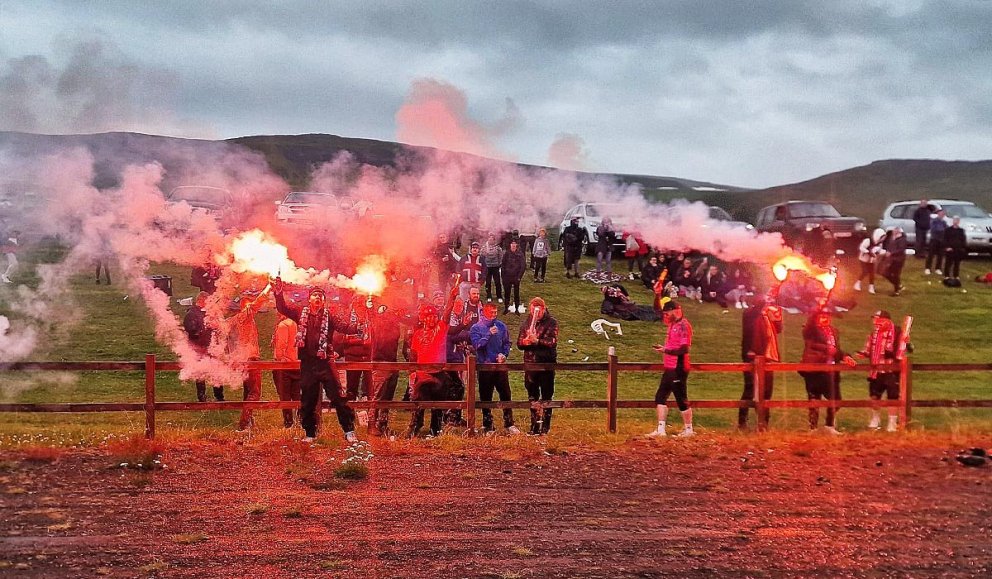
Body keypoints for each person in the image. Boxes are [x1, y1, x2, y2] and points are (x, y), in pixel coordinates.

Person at [273, 281, 358, 443]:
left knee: (338, 397)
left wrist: (358, 327)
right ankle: (310, 433)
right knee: (308, 400)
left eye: (320, 296)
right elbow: (282, 308)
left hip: (325, 363)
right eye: (315, 295)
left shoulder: (329, 315)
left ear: (323, 300)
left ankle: (349, 430)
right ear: (309, 299)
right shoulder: (300, 312)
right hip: (308, 364)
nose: (317, 297)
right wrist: (278, 293)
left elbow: (344, 326)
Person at [406, 287, 459, 438]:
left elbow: (447, 314)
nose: (431, 319)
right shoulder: (417, 334)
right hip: (422, 375)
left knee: (438, 406)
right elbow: (413, 355)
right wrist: (412, 372)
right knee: (419, 404)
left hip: (439, 374)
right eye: (428, 317)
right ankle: (415, 427)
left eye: (434, 316)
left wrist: (452, 298)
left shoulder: (441, 329)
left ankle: (435, 431)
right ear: (422, 318)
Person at [799, 309, 856, 434]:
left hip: (831, 369)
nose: (825, 318)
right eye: (822, 316)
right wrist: (817, 309)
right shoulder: (811, 330)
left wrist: (845, 356)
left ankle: (829, 425)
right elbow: (810, 328)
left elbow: (836, 349)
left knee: (836, 399)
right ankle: (813, 428)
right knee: (814, 398)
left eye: (827, 315)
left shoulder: (834, 331)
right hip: (815, 368)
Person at [646, 300, 694, 437]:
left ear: (675, 310)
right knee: (660, 397)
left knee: (681, 398)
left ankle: (689, 429)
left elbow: (684, 349)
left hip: (678, 367)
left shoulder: (684, 326)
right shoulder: (673, 323)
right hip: (669, 367)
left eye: (667, 313)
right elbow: (655, 310)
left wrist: (666, 350)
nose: (665, 316)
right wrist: (657, 294)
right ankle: (661, 429)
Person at [470, 303, 520, 435]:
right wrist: (488, 334)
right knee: (486, 396)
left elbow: (507, 343)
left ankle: (509, 423)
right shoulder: (476, 328)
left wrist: (504, 354)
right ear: (484, 312)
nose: (493, 315)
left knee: (505, 394)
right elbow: (476, 346)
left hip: (500, 366)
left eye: (495, 312)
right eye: (491, 312)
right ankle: (488, 425)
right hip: (485, 367)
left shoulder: (501, 326)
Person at [224, 291, 266, 431]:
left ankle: (248, 423)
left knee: (248, 392)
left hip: (242, 360)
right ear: (245, 306)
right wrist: (268, 288)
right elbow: (256, 305)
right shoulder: (244, 316)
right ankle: (243, 424)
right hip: (250, 360)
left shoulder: (233, 320)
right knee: (254, 393)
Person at [516, 297, 558, 435]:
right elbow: (519, 343)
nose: (536, 312)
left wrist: (537, 341)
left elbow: (552, 342)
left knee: (546, 397)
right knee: (532, 396)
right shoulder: (526, 323)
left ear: (544, 308)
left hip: (546, 365)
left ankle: (545, 428)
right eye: (534, 309)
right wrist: (526, 342)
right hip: (530, 365)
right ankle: (534, 427)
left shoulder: (551, 323)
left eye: (539, 310)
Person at [740, 294, 782, 431]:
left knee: (767, 393)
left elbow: (779, 329)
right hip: (753, 358)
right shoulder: (750, 315)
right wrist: (770, 294)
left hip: (767, 359)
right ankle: (742, 422)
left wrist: (777, 315)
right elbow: (755, 310)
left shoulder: (767, 319)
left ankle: (764, 425)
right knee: (750, 390)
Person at [856, 310, 900, 432]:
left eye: (879, 320)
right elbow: (868, 349)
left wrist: (906, 343)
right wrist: (863, 353)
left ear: (887, 321)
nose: (876, 322)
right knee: (874, 395)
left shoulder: (896, 332)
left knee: (893, 396)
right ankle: (876, 418)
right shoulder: (873, 334)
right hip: (876, 369)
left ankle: (892, 422)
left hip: (890, 369)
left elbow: (902, 347)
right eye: (875, 319)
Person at [182, 291, 224, 402]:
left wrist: (215, 326)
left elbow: (217, 326)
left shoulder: (208, 312)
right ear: (201, 300)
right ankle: (201, 396)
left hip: (211, 346)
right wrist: (204, 329)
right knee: (200, 373)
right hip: (198, 347)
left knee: (216, 371)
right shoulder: (191, 313)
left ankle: (219, 396)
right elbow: (190, 329)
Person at [272, 311, 301, 428]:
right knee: (297, 395)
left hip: (284, 365)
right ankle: (301, 421)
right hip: (296, 363)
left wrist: (279, 358)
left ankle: (288, 423)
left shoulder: (283, 325)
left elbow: (281, 345)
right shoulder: (297, 324)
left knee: (285, 396)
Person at [854, 228, 885, 294]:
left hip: (871, 260)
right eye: (882, 237)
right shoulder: (868, 240)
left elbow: (879, 250)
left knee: (872, 273)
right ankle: (857, 284)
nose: (883, 239)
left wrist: (881, 252)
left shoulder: (880, 244)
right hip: (863, 258)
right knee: (865, 271)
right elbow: (861, 247)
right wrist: (868, 252)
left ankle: (871, 287)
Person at [500, 239, 526, 314]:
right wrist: (503, 276)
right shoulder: (507, 253)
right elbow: (503, 265)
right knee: (507, 293)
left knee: (516, 293)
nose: (513, 245)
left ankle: (517, 309)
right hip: (507, 277)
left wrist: (519, 277)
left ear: (516, 245)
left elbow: (523, 266)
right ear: (510, 245)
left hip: (516, 277)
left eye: (515, 243)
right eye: (512, 243)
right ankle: (506, 307)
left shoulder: (520, 254)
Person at [880, 228, 907, 296]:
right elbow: (889, 246)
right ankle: (898, 286)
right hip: (892, 259)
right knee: (886, 273)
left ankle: (897, 290)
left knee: (895, 274)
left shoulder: (902, 240)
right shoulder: (892, 238)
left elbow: (901, 249)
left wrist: (891, 253)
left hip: (898, 260)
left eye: (894, 232)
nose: (893, 233)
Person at [481, 233, 504, 303]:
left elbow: (501, 256)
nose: (490, 240)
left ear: (494, 240)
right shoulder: (484, 247)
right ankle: (488, 296)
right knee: (488, 282)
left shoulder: (498, 248)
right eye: (489, 239)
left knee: (497, 282)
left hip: (495, 267)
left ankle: (499, 296)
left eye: (492, 239)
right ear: (488, 239)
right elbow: (481, 256)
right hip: (487, 267)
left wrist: (499, 264)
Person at [925, 209, 947, 276]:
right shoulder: (934, 221)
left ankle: (938, 268)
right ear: (938, 214)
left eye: (943, 214)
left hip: (941, 240)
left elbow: (946, 230)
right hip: (934, 239)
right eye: (940, 214)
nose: (942, 215)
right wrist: (942, 230)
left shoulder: (944, 222)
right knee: (931, 254)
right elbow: (934, 229)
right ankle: (927, 268)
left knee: (940, 255)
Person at [944, 216, 967, 282]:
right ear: (953, 221)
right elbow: (945, 239)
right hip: (950, 249)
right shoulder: (948, 230)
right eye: (955, 220)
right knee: (948, 263)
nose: (956, 221)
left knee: (957, 264)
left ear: (959, 222)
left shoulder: (961, 230)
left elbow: (963, 240)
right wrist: (947, 247)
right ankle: (947, 275)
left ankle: (956, 275)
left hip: (958, 249)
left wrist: (963, 248)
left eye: (957, 220)